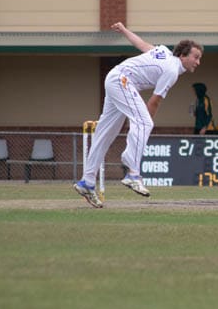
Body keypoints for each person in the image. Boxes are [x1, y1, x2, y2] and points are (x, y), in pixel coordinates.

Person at [73, 22, 203, 208]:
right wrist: (144, 124)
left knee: (104, 134)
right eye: (195, 57)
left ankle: (87, 182)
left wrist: (124, 30)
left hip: (115, 78)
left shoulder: (163, 52)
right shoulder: (172, 70)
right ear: (183, 56)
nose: (198, 62)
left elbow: (141, 44)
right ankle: (132, 173)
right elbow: (154, 102)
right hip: (121, 81)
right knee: (145, 123)